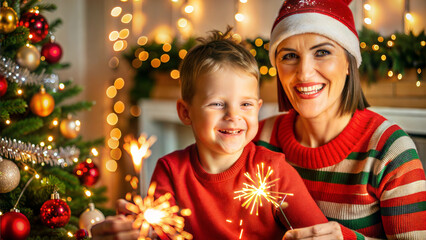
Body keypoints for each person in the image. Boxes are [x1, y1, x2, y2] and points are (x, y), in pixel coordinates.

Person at [92, 27, 328, 240]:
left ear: (257, 109)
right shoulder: (171, 171)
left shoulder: (274, 170)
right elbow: (157, 232)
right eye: (217, 104)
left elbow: (318, 232)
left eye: (245, 105)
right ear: (186, 112)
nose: (233, 115)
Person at [253, 0, 426, 239]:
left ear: (348, 62)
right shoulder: (257, 138)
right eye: (289, 55)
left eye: (322, 52)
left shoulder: (390, 149)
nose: (303, 72)